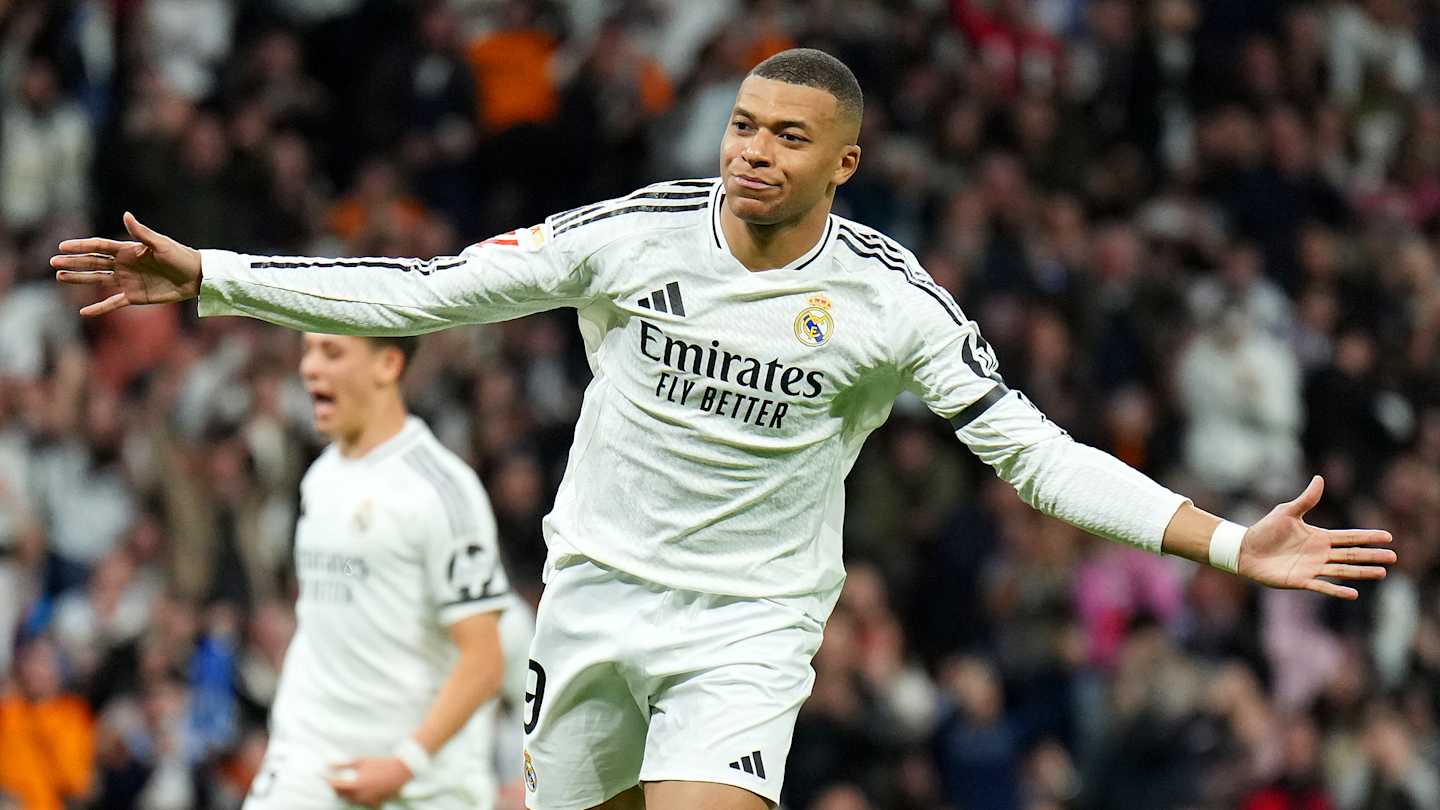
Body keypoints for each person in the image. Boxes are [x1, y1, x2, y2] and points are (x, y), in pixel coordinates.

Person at [53, 48, 1394, 810]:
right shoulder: (634, 235)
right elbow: (425, 290)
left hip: (745, 630)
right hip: (594, 600)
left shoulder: (891, 303)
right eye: (744, 125)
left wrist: (1227, 542)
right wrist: (213, 276)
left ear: (843, 163)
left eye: (788, 137)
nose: (752, 150)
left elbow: (1034, 456)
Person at [239, 332, 511, 809]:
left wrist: (404, 764)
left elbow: (485, 661)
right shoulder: (320, 477)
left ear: (387, 364)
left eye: (332, 352)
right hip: (310, 760)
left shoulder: (442, 490)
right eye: (307, 350)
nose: (309, 368)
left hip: (423, 783)